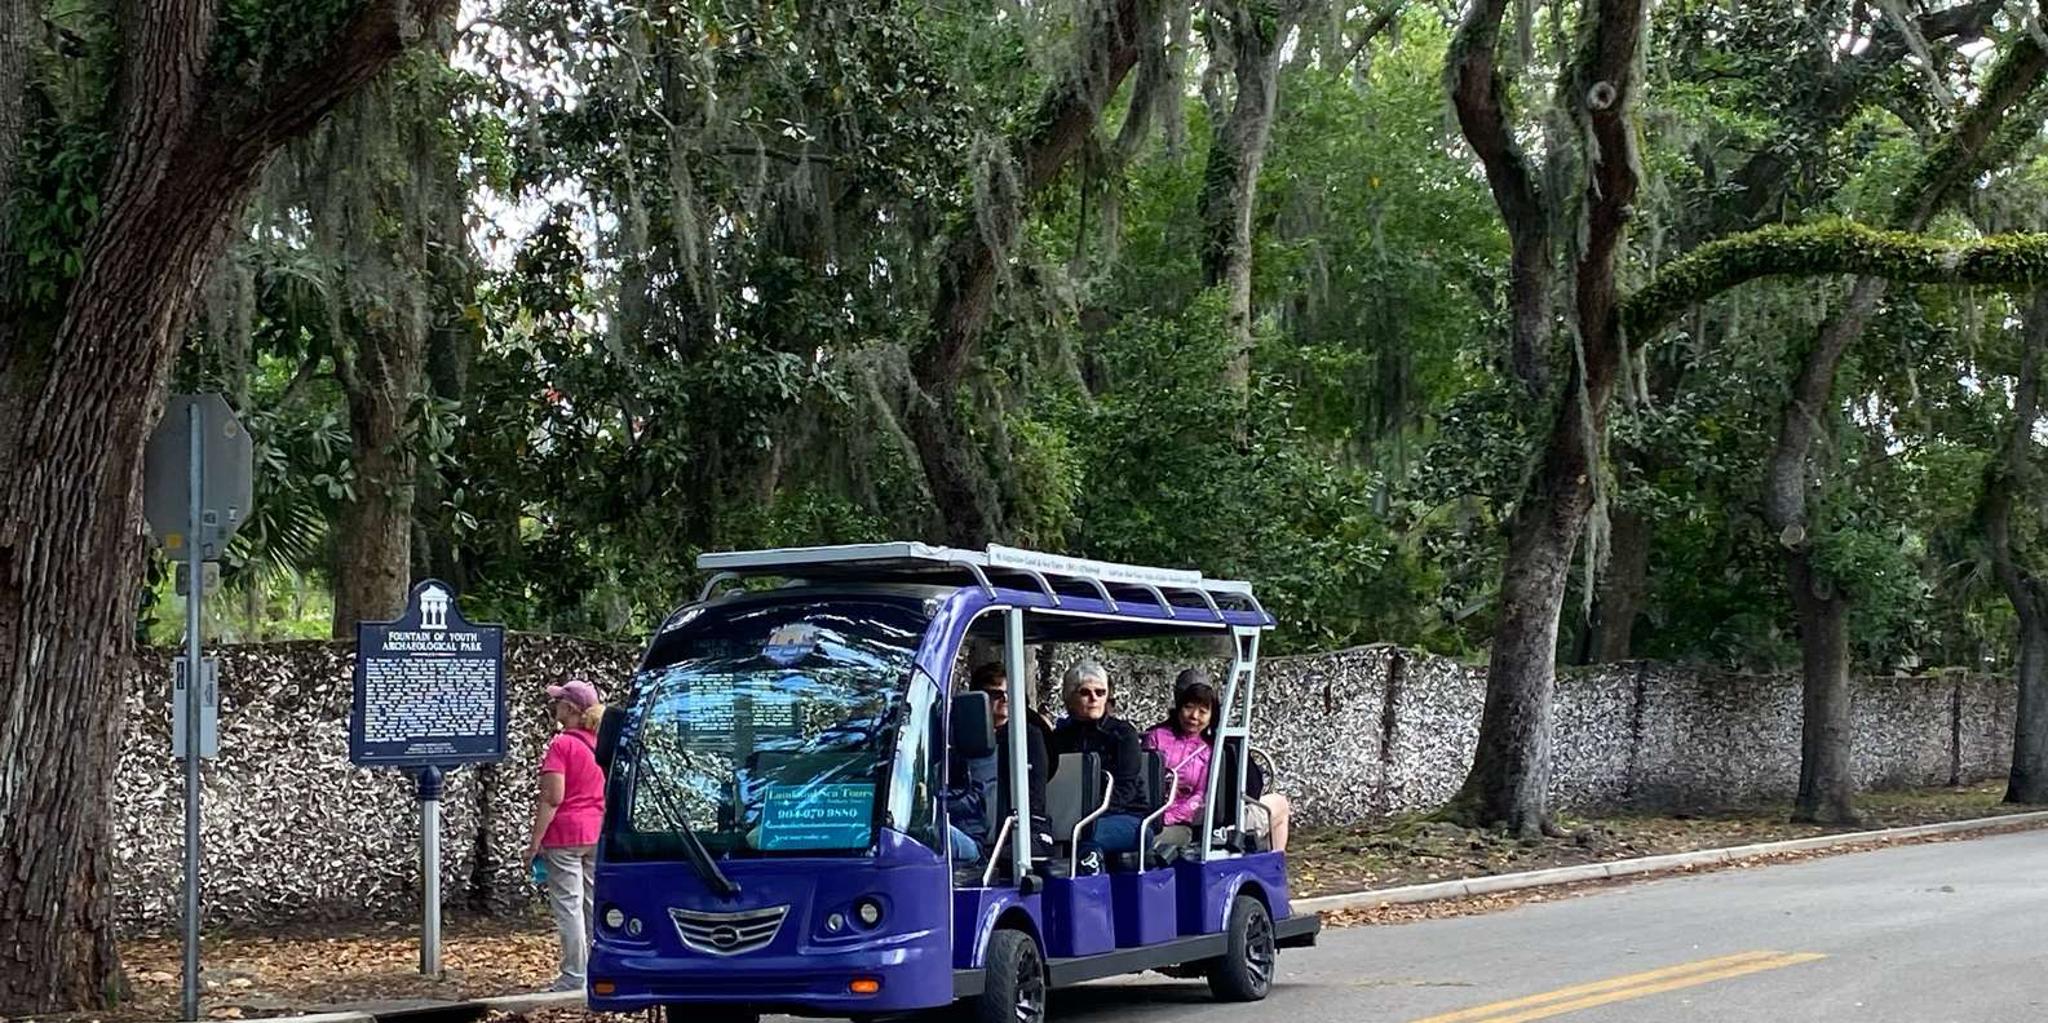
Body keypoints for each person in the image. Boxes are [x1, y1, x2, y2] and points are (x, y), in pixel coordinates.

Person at [1152, 668, 1292, 853]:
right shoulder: (1157, 737)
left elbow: (1245, 789)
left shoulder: (1212, 747)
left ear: (1212, 714)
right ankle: (1273, 863)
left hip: (1198, 814)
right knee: (1278, 806)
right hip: (1193, 821)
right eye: (1188, 707)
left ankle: (1273, 860)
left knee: (1278, 804)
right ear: (1179, 705)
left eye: (1202, 711)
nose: (1194, 716)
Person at [528, 678, 608, 992]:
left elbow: (552, 797)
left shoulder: (562, 744)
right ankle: (597, 969)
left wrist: (535, 843)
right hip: (596, 832)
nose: (555, 705)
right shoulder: (601, 742)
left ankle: (574, 975)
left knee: (568, 906)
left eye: (559, 701)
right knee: (592, 904)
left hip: (564, 836)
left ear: (571, 708)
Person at [946, 663, 1050, 866]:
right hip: (956, 826)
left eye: (1011, 693)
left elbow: (1033, 799)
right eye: (995, 694)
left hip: (988, 838)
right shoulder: (953, 736)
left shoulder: (1027, 737)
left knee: (926, 836)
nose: (1005, 699)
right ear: (977, 698)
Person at [1050, 661, 1149, 854]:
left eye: (1100, 692)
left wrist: (1087, 814)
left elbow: (1125, 789)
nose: (1094, 698)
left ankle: (1090, 882)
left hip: (1128, 816)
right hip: (1070, 814)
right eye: (1085, 692)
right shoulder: (1058, 738)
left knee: (1084, 835)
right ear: (1069, 698)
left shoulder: (1123, 734)